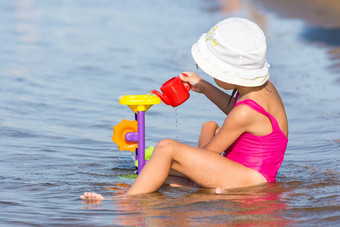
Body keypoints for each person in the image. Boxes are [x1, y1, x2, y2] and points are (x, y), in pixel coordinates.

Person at [81, 17, 288, 199]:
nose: (214, 76)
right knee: (203, 131)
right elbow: (237, 110)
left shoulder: (244, 113)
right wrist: (204, 86)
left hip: (248, 179)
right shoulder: (265, 89)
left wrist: (184, 161)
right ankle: (199, 187)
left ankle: (128, 200)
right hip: (248, 170)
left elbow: (212, 150)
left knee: (166, 149)